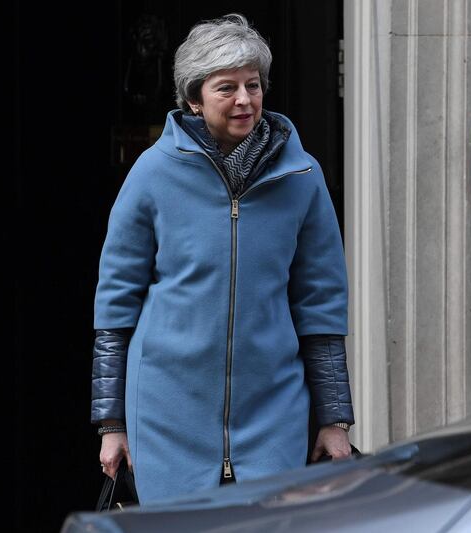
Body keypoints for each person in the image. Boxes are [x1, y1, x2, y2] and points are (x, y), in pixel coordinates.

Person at [90, 14, 354, 504]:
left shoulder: (303, 175)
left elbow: (321, 305)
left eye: (252, 85)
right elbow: (115, 308)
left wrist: (334, 420)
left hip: (274, 411)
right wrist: (111, 423)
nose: (244, 100)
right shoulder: (151, 173)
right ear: (194, 98)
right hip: (166, 414)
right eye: (226, 88)